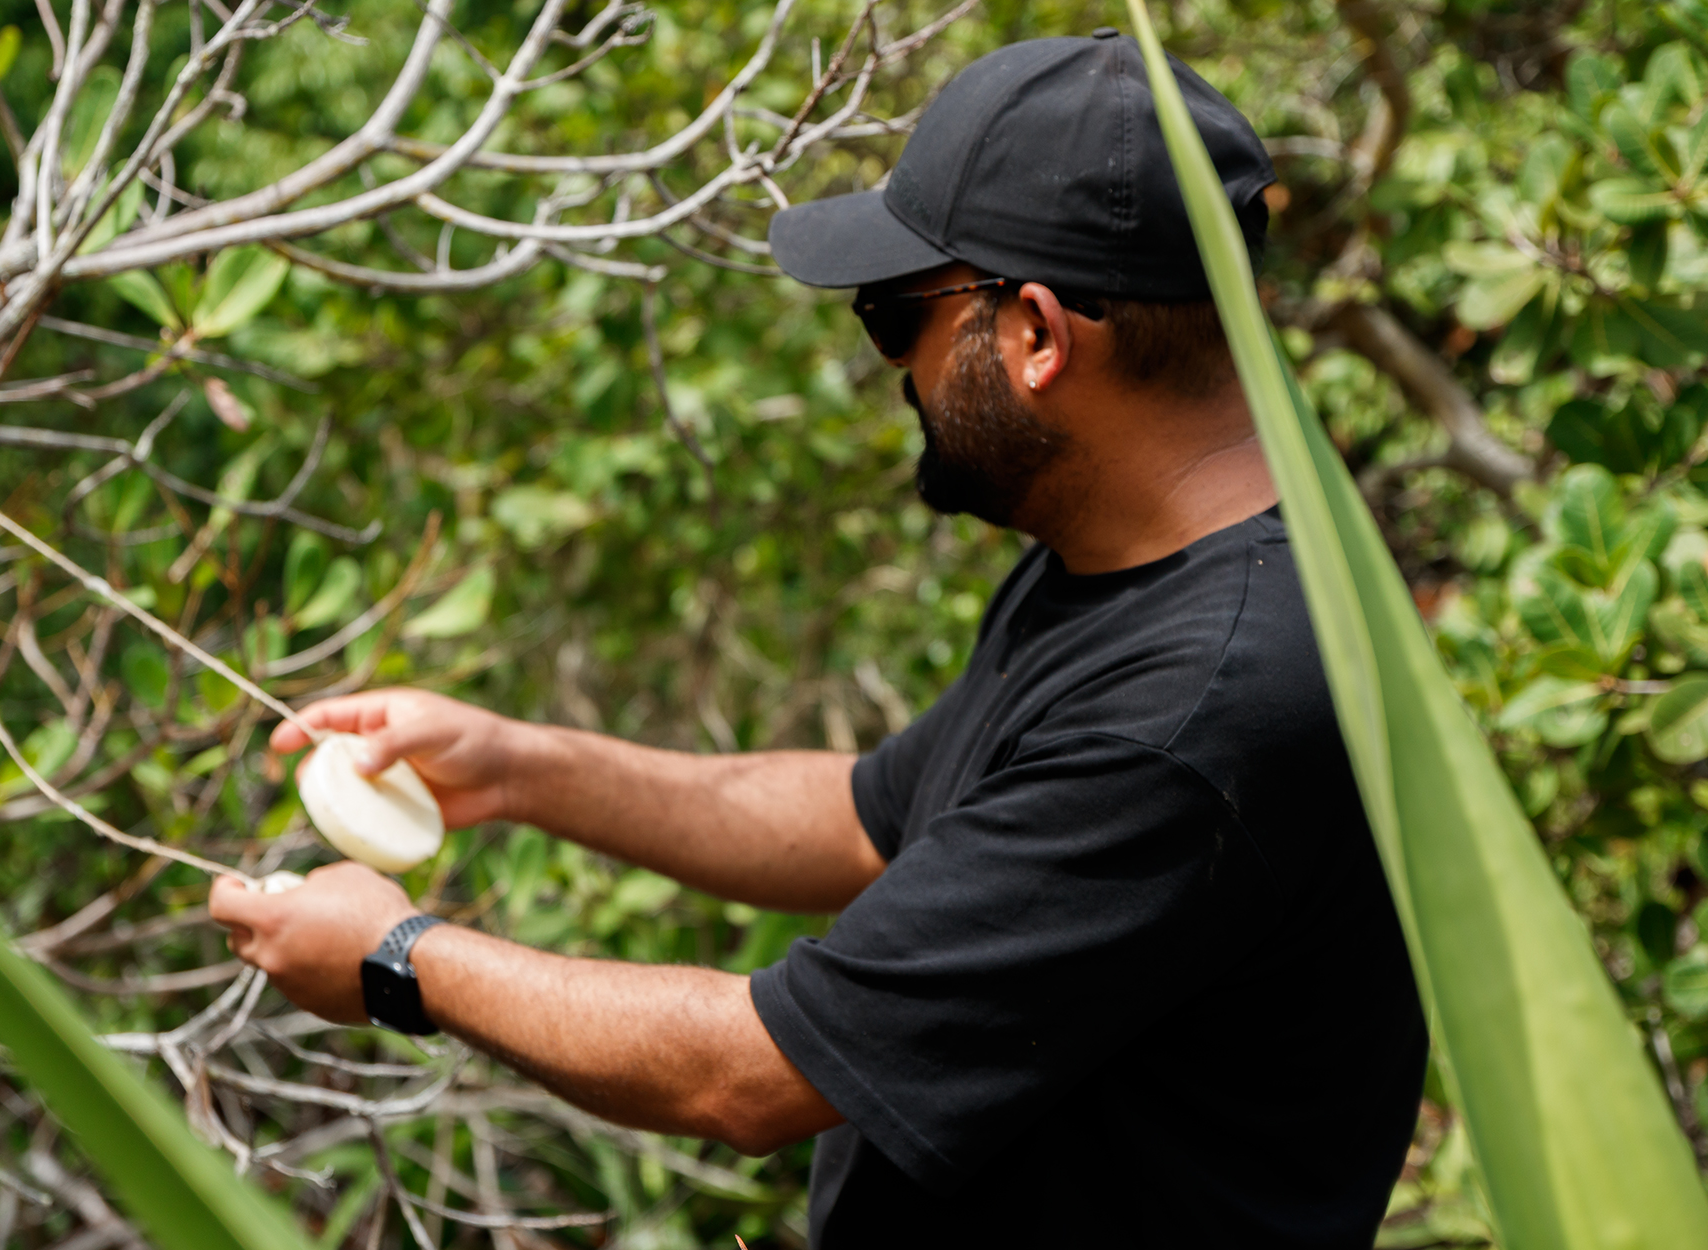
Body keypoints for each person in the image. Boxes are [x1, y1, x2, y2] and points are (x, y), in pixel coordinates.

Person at [208, 30, 1427, 1247]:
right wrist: (520, 765)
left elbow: (746, 1074)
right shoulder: (1125, 564)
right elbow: (865, 818)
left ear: (1039, 336)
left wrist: (395, 957)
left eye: (898, 315)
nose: (891, 367)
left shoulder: (1201, 704)